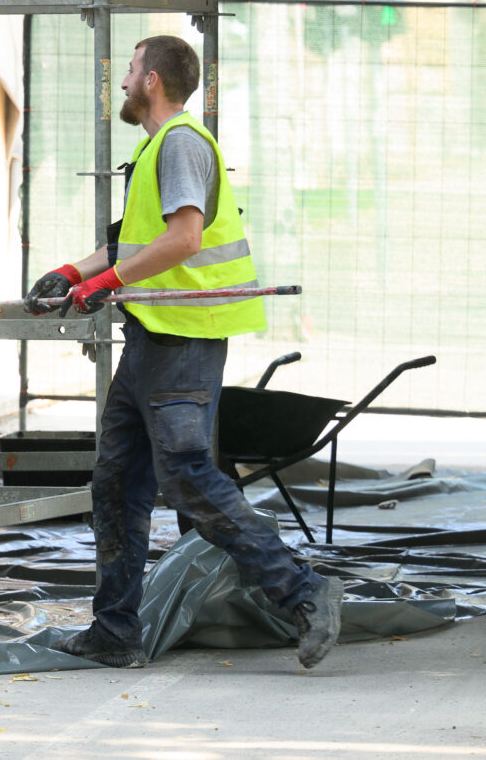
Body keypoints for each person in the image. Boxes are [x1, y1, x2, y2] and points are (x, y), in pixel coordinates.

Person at [25, 34, 342, 670]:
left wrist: (104, 285)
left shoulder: (180, 145)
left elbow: (185, 239)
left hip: (182, 341)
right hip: (150, 337)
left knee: (188, 477)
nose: (120, 82)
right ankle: (116, 632)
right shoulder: (154, 150)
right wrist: (71, 271)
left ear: (151, 82)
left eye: (130, 69)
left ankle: (305, 593)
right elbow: (135, 246)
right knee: (116, 485)